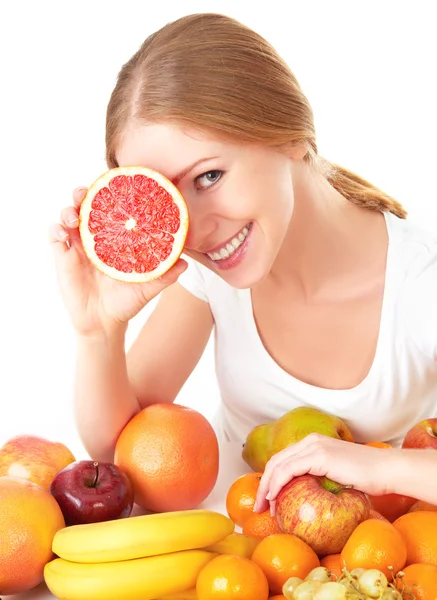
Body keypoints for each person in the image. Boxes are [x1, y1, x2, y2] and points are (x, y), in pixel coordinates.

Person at [49, 13, 437, 510]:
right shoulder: (214, 283)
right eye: (166, 200)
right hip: (244, 567)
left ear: (289, 135)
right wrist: (98, 331)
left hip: (382, 568)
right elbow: (119, 454)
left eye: (209, 177)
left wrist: (382, 467)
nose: (192, 230)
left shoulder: (419, 283)